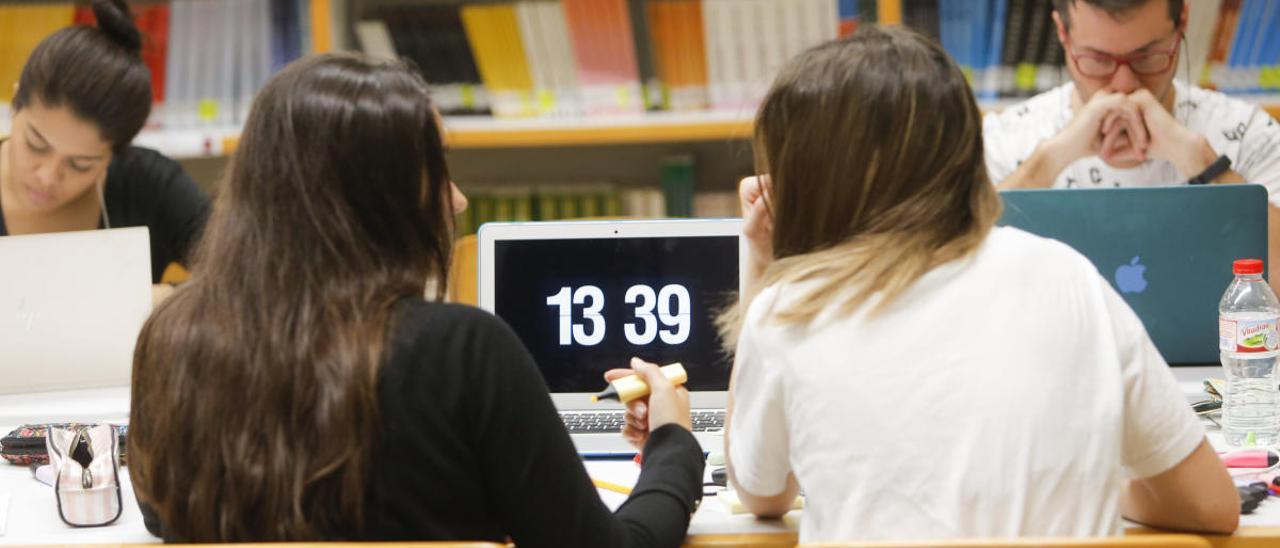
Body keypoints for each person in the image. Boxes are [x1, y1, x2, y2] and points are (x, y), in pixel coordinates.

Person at [126, 53, 704, 545]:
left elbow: (160, 518)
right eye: (435, 170)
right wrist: (673, 446)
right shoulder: (462, 353)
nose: (456, 200)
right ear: (375, 201)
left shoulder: (173, 341)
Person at [722, 25, 1238, 542]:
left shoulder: (792, 309)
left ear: (806, 181)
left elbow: (763, 493)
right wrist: (1095, 484)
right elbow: (1211, 505)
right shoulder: (1069, 277)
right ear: (965, 152)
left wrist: (767, 268)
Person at [985, 0, 1280, 286]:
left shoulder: (1251, 136)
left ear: (1183, 23)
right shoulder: (1004, 139)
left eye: (1147, 56)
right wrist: (1044, 165)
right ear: (1062, 33)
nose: (1124, 84)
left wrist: (1204, 164)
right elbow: (960, 286)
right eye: (1098, 60)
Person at [0, 0, 210, 301]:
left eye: (81, 164)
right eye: (36, 145)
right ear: (16, 101)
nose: (47, 177)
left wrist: (165, 301)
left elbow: (249, 277)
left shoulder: (147, 184)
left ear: (115, 154)